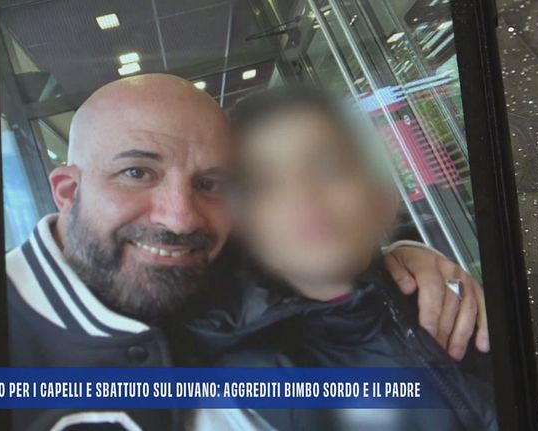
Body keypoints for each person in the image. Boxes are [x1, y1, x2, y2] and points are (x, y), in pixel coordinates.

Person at [6, 74, 489, 430]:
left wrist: (399, 262)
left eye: (210, 183)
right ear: (67, 190)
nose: (180, 218)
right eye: (137, 173)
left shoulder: (215, 285)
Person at [184, 86, 496, 431]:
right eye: (264, 183)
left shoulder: (451, 296)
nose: (303, 196)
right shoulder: (241, 393)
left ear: (382, 194)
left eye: (329, 167)